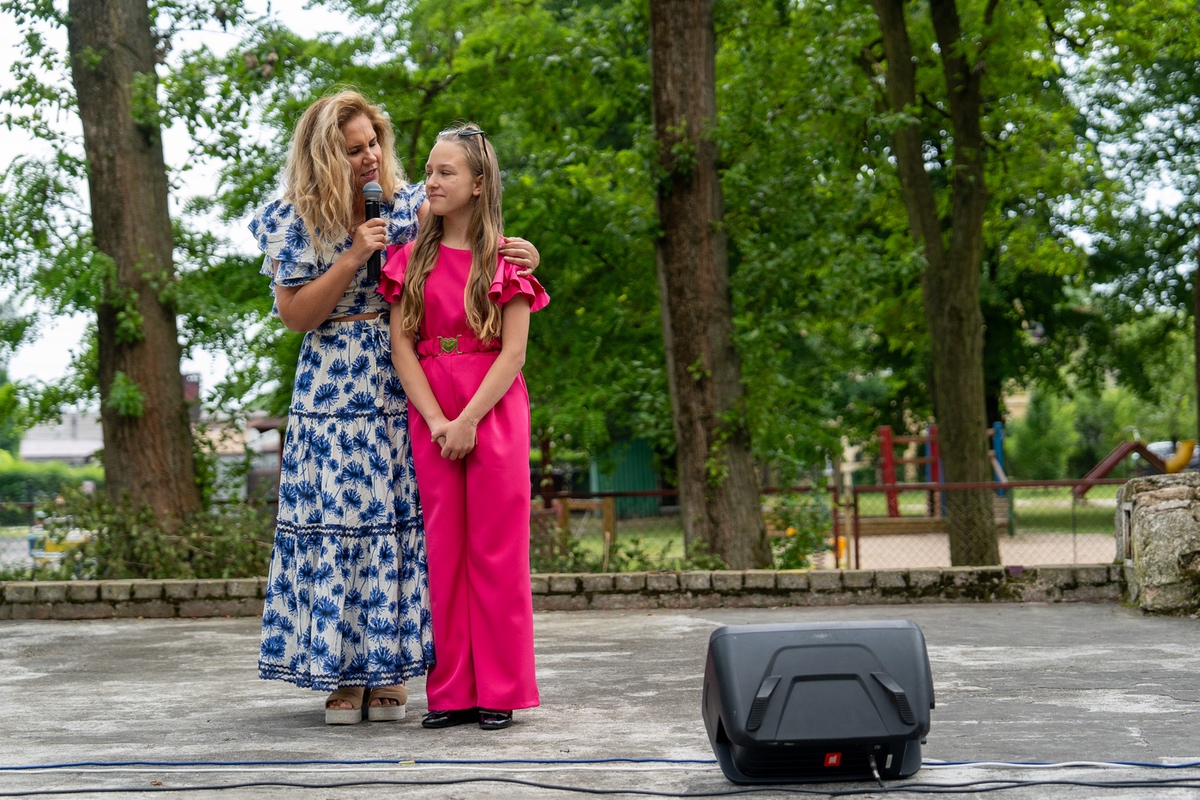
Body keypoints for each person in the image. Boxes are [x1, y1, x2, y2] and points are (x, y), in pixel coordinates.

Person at [250, 91, 539, 725]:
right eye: (353, 150)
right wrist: (353, 254)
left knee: (401, 527)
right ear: (324, 157)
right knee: (336, 522)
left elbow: (470, 232)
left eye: (373, 143)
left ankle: (390, 671)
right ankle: (342, 675)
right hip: (332, 382)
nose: (370, 157)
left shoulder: (409, 204)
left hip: (401, 380)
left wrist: (525, 258)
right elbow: (295, 315)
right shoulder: (291, 218)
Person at [380, 124, 547, 731]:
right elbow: (401, 346)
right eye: (429, 170)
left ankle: (500, 688)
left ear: (478, 184)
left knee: (496, 551)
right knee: (443, 552)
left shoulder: (506, 259)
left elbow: (514, 352)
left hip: (491, 407)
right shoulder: (411, 259)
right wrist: (436, 421)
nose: (431, 180)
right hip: (432, 408)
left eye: (445, 172)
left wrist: (469, 419)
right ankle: (451, 692)